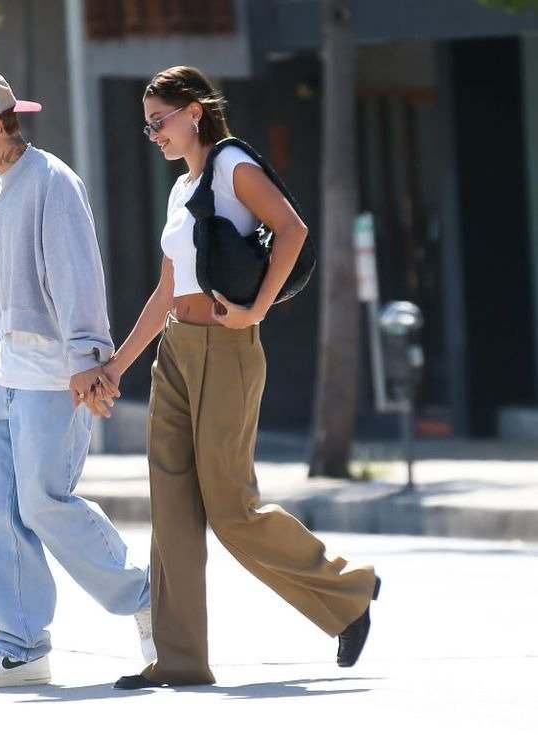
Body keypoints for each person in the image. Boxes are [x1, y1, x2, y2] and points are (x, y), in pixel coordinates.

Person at [90, 66, 380, 690]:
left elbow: (294, 231)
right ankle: (180, 659)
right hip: (177, 350)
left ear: (193, 112)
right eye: (146, 126)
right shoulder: (181, 187)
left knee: (231, 509)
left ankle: (347, 593)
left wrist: (255, 309)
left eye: (159, 121)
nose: (153, 134)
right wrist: (117, 364)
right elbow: (168, 287)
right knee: (170, 506)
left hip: (227, 346)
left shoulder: (229, 164)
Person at [0, 72, 152, 690]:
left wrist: (90, 359)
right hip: (4, 375)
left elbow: (77, 273)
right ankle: (19, 646)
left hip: (53, 380)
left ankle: (146, 597)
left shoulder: (52, 182)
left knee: (42, 502)